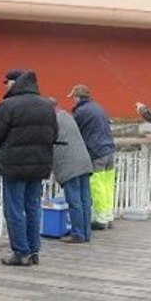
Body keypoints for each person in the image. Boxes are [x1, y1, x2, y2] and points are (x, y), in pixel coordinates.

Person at [0, 69, 58, 266]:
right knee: (33, 207)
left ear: (15, 83)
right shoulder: (46, 106)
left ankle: (20, 252)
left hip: (14, 166)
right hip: (39, 166)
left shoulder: (8, 105)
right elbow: (54, 135)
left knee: (14, 209)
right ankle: (34, 251)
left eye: (7, 82)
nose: (5, 86)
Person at [68, 84, 118, 231]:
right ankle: (108, 217)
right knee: (108, 186)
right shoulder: (97, 107)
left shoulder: (80, 112)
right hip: (108, 150)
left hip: (96, 152)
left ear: (77, 97)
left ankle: (100, 219)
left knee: (96, 186)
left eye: (73, 98)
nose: (73, 101)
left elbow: (72, 131)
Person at [47, 98, 94, 243]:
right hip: (84, 161)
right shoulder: (67, 116)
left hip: (69, 165)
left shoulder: (53, 121)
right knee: (85, 199)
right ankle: (86, 233)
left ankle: (78, 234)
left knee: (74, 200)